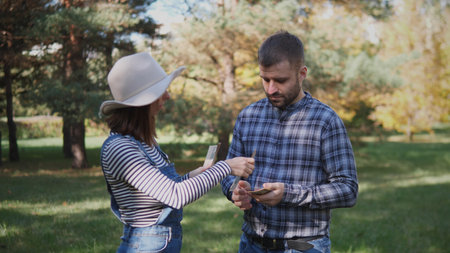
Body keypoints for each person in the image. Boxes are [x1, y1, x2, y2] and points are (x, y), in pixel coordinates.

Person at [99, 52, 255, 253]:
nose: (167, 96)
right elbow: (175, 196)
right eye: (161, 91)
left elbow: (164, 193)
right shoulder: (120, 148)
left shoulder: (145, 143)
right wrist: (225, 167)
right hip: (146, 246)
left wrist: (195, 175)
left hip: (158, 243)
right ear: (143, 102)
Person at [221, 31, 358, 253]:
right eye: (265, 79)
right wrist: (235, 190)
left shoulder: (325, 120)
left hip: (302, 247)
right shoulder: (247, 116)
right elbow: (228, 173)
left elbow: (348, 189)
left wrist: (289, 194)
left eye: (280, 80)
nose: (271, 89)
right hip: (251, 243)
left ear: (302, 73)